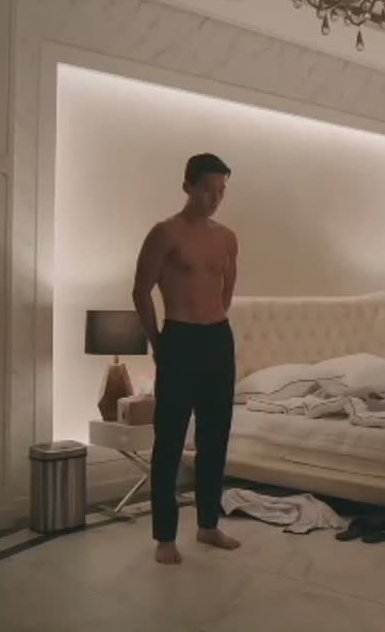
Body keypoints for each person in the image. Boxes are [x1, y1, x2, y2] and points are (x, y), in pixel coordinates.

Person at [132, 152, 240, 565]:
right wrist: (159, 341)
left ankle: (208, 524)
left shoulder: (227, 237)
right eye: (207, 190)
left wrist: (215, 320)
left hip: (217, 339)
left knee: (216, 435)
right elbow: (140, 291)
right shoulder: (165, 233)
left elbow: (226, 286)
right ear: (187, 187)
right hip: (179, 337)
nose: (215, 198)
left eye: (221, 191)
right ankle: (165, 536)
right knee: (171, 439)